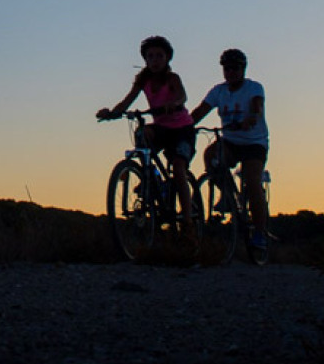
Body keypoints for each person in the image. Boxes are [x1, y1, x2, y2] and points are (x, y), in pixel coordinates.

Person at [97, 36, 197, 232]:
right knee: (143, 133)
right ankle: (148, 178)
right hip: (161, 128)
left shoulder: (172, 78)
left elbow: (182, 96)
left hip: (182, 130)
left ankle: (187, 222)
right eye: (150, 56)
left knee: (178, 169)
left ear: (167, 58)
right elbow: (127, 102)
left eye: (159, 56)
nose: (155, 60)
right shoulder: (143, 80)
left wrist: (174, 104)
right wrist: (111, 113)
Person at [189, 48, 270, 250]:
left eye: (235, 68)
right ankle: (226, 195)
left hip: (254, 143)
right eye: (227, 68)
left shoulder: (254, 88)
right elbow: (201, 110)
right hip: (231, 141)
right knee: (210, 156)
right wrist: (184, 125)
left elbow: (257, 107)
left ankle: (260, 233)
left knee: (252, 183)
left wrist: (251, 118)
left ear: (243, 69)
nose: (230, 72)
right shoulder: (218, 91)